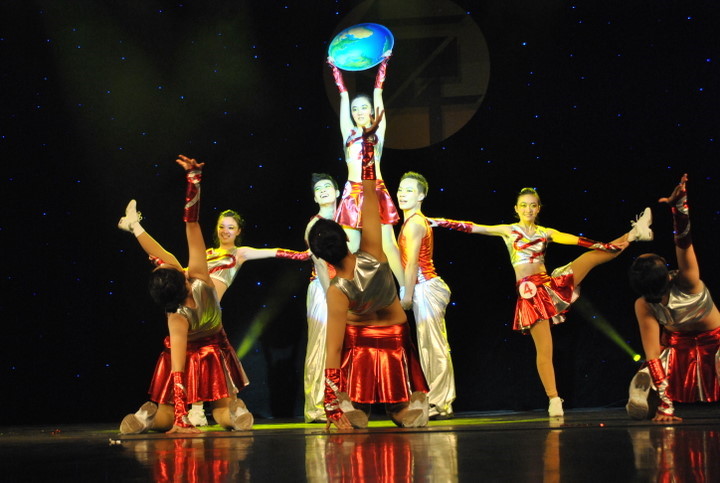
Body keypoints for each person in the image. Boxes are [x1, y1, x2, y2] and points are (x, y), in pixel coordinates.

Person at [429, 188, 653, 416]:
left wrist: (601, 245)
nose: (528, 209)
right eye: (524, 205)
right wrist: (438, 221)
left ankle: (634, 234)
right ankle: (554, 399)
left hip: (549, 286)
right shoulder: (508, 230)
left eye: (533, 205)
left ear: (538, 209)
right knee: (545, 350)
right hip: (530, 294)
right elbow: (473, 227)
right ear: (516, 209)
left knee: (592, 257)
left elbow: (576, 240)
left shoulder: (546, 232)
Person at [308, 111, 429, 430]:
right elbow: (371, 196)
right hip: (394, 334)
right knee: (384, 340)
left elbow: (333, 349)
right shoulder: (373, 252)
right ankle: (398, 407)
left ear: (321, 256)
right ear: (345, 237)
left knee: (349, 339)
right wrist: (368, 149)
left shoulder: (336, 291)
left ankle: (353, 405)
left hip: (360, 339)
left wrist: (330, 405)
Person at [117, 155, 253, 434]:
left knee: (165, 415)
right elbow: (192, 224)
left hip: (191, 348)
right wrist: (194, 180)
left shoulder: (174, 314)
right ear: (183, 280)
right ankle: (234, 415)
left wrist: (180, 417)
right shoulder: (202, 279)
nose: (166, 263)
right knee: (220, 409)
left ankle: (148, 418)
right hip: (212, 347)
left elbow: (178, 368)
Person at [138, 209, 309, 426]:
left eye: (231, 227)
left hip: (208, 306)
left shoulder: (240, 252)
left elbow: (273, 252)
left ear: (238, 231)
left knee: (200, 352)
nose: (225, 231)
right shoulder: (207, 253)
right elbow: (183, 272)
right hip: (193, 304)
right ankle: (197, 410)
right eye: (221, 226)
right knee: (195, 354)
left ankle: (199, 410)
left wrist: (302, 255)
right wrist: (161, 264)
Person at [626, 174, 720, 422]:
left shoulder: (643, 303)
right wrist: (679, 206)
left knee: (657, 361)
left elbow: (652, 354)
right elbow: (684, 240)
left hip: (708, 344)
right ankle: (643, 392)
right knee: (660, 360)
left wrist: (667, 407)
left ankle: (650, 390)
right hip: (685, 346)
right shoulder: (687, 280)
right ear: (667, 274)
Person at [327, 52, 404, 288]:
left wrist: (384, 62)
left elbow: (378, 92)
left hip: (375, 190)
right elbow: (343, 95)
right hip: (352, 192)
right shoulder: (348, 132)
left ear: (371, 111)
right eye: (355, 109)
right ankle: (348, 291)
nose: (359, 111)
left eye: (364, 107)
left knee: (388, 243)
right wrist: (335, 69)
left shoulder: (377, 130)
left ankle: (405, 289)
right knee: (350, 246)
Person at [396, 171, 456, 419]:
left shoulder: (416, 223)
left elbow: (412, 264)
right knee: (428, 346)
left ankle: (441, 402)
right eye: (401, 189)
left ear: (421, 196)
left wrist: (407, 296)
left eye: (409, 190)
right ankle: (438, 399)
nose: (402, 194)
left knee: (434, 345)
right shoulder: (411, 222)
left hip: (425, 287)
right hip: (421, 287)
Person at [302, 173, 341, 423]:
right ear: (315, 198)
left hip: (346, 287)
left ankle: (339, 401)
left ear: (337, 192)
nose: (323, 190)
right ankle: (316, 406)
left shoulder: (346, 219)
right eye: (318, 189)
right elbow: (319, 263)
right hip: (323, 288)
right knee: (320, 345)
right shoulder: (314, 225)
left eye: (328, 186)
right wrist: (331, 293)